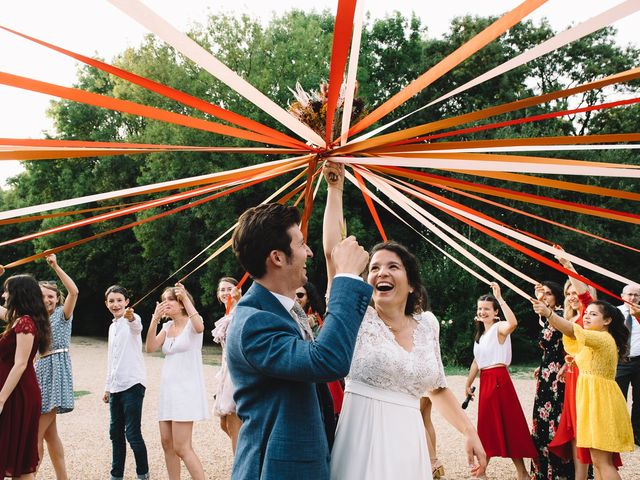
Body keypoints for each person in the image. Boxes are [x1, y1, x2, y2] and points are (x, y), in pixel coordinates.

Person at [324, 162, 486, 480]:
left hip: (409, 442)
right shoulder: (356, 316)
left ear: (410, 283)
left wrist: (469, 431)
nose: (381, 272)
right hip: (362, 439)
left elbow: (437, 389)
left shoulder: (428, 324)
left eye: (393, 267)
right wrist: (335, 188)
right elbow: (334, 253)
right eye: (374, 267)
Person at [226, 200, 372, 480]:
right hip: (274, 470)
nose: (310, 252)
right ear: (278, 258)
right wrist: (347, 277)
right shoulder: (254, 321)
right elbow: (326, 361)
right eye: (302, 244)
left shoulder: (279, 309)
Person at [532, 298, 634, 479]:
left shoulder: (601, 337)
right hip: (593, 401)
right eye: (586, 313)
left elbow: (571, 330)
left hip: (600, 402)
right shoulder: (596, 339)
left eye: (593, 314)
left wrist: (548, 313)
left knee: (603, 461)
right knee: (597, 460)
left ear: (607, 321)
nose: (586, 317)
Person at [465, 282, 537, 480]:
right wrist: (467, 383)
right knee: (491, 425)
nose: (482, 312)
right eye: (480, 309)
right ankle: (518, 472)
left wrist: (501, 299)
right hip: (486, 379)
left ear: (496, 311)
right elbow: (476, 361)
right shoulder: (481, 334)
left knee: (504, 425)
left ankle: (484, 472)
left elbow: (513, 323)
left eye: (487, 309)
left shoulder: (499, 328)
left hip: (498, 379)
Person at [146, 283, 208, 480]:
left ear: (181, 303)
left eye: (170, 299)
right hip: (168, 391)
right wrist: (155, 319)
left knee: (182, 447)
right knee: (166, 443)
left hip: (186, 391)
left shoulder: (192, 324)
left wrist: (187, 298)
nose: (166, 303)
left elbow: (200, 327)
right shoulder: (166, 326)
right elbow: (150, 347)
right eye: (164, 300)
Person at [0, 274, 52, 479]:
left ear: (18, 294)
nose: (4, 295)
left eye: (7, 291)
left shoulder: (26, 324)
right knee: (16, 459)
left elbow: (21, 364)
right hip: (13, 392)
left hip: (17, 395)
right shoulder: (19, 320)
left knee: (18, 459)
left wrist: (1, 398)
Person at [34, 254, 79, 480]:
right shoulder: (33, 319)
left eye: (51, 296)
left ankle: (27, 474)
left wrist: (56, 267)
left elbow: (74, 292)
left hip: (56, 372)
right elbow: (6, 313)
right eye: (42, 296)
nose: (47, 300)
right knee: (50, 436)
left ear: (57, 298)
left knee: (35, 435)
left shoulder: (63, 315)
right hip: (39, 372)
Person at [103, 285, 149, 480]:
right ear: (106, 304)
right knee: (115, 433)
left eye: (119, 300)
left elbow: (136, 325)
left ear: (127, 302)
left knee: (132, 433)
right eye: (111, 301)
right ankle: (116, 475)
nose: (116, 304)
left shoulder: (133, 319)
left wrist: (130, 317)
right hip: (115, 387)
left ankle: (143, 474)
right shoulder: (112, 327)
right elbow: (111, 359)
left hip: (133, 384)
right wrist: (107, 388)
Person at [530, 280, 574, 479]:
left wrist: (567, 362)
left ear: (557, 297)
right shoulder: (546, 318)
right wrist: (542, 366)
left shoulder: (563, 315)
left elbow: (570, 341)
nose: (545, 296)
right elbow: (550, 346)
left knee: (555, 421)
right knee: (542, 420)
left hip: (559, 377)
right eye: (543, 293)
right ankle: (543, 471)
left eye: (549, 293)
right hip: (547, 375)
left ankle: (559, 472)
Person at [212, 276, 242, 453]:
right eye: (222, 289)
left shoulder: (240, 310)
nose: (225, 292)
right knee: (224, 423)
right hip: (225, 371)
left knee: (233, 422)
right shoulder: (227, 314)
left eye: (229, 288)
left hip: (235, 373)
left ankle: (240, 469)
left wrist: (238, 300)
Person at [615, 283, 640, 447]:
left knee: (638, 400)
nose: (632, 298)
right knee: (618, 399)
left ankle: (637, 433)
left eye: (636, 295)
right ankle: (617, 434)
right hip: (620, 361)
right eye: (629, 294)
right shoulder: (614, 312)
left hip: (639, 360)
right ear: (622, 296)